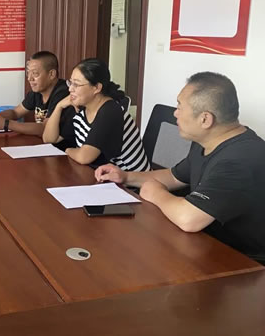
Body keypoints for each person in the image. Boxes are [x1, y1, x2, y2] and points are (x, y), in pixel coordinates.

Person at [95, 72, 265, 264]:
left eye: (179, 107)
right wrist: (126, 176)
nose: (175, 113)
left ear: (205, 119)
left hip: (244, 264)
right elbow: (175, 176)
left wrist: (155, 192)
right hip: (206, 243)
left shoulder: (240, 160)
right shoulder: (209, 141)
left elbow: (189, 219)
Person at [44, 58, 149, 170]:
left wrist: (67, 150)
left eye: (76, 84)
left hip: (129, 178)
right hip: (98, 173)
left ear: (97, 88)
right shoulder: (81, 107)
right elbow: (49, 139)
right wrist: (59, 106)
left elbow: (84, 157)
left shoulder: (110, 110)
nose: (70, 89)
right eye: (70, 82)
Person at [0, 51, 75, 137]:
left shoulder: (63, 93)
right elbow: (15, 112)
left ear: (51, 74)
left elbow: (45, 128)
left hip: (63, 149)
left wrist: (6, 124)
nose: (29, 78)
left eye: (35, 73)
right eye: (28, 73)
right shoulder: (38, 91)